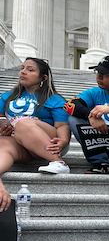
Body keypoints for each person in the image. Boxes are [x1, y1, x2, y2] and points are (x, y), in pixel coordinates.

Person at [0, 58, 70, 212]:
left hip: (49, 141)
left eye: (30, 70)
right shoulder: (7, 97)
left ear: (43, 78)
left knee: (23, 122)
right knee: (3, 142)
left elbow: (62, 125)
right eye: (22, 68)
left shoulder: (54, 99)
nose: (23, 72)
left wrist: (63, 141)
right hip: (19, 142)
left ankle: (59, 162)